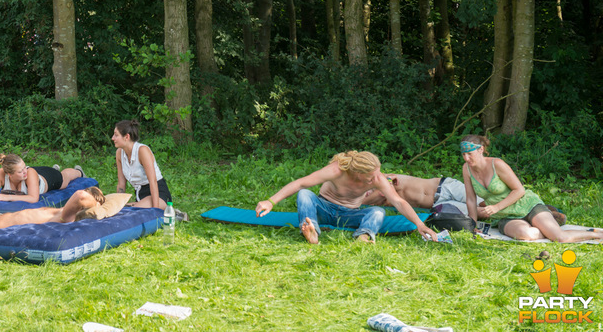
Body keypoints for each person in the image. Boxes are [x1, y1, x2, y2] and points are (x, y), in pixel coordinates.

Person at [254, 150, 437, 244]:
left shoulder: (377, 177)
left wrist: (420, 225)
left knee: (378, 211)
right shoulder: (337, 170)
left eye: (378, 173)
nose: (378, 178)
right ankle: (312, 231)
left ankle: (363, 236)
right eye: (371, 176)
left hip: (350, 214)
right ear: (356, 173)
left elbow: (398, 201)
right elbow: (301, 183)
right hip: (324, 208)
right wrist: (270, 201)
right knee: (304, 195)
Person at [460, 134, 603, 243]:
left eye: (469, 154)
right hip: (505, 217)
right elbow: (471, 199)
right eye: (463, 154)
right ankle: (548, 223)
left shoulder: (497, 164)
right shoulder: (466, 169)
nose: (466, 158)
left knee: (560, 238)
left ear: (481, 150)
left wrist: (496, 207)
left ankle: (595, 234)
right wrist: (472, 224)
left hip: (526, 205)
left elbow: (519, 190)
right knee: (526, 234)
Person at [113, 120, 185, 218]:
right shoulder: (119, 153)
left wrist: (155, 211)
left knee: (130, 213)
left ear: (127, 137)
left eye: (116, 135)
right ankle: (163, 211)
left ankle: (171, 213)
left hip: (158, 194)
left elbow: (153, 181)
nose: (113, 138)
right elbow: (121, 184)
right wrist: (117, 205)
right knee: (120, 210)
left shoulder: (142, 151)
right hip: (141, 195)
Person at [0, 153, 85, 203]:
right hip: (35, 177)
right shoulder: (1, 174)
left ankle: (79, 172)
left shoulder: (28, 172)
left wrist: (5, 197)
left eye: (24, 167)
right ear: (9, 174)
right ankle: (54, 169)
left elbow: (33, 198)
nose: (24, 171)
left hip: (48, 179)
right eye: (20, 171)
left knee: (64, 179)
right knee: (31, 172)